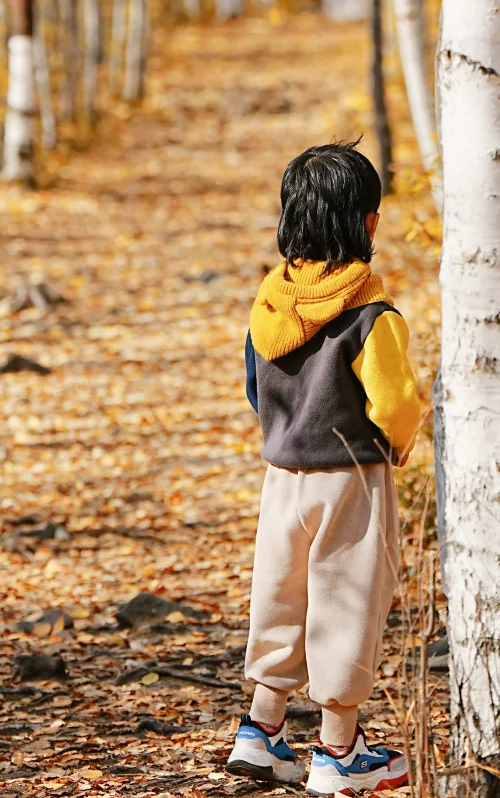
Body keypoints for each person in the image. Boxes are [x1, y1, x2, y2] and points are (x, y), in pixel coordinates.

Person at [226, 141, 420, 795]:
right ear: (368, 222)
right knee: (347, 600)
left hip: (283, 476)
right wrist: (400, 443)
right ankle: (340, 750)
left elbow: (255, 386)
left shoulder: (269, 305)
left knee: (279, 593)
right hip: (352, 477)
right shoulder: (371, 313)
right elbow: (395, 402)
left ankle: (261, 731)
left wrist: (286, 430)